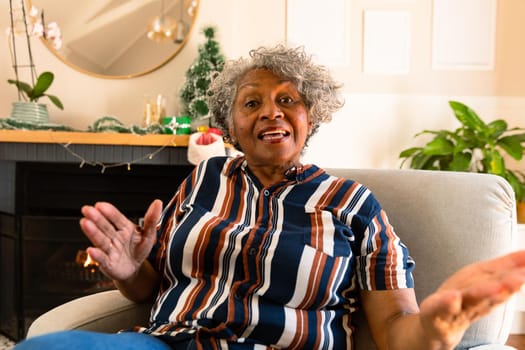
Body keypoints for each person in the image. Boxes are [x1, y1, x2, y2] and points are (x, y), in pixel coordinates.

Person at [16, 45, 525, 350]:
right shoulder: (203, 180)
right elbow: (155, 287)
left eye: (288, 100)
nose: (270, 113)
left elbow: (395, 328)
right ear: (231, 125)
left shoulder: (353, 204)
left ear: (311, 117)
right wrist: (131, 273)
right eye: (251, 103)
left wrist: (439, 324)